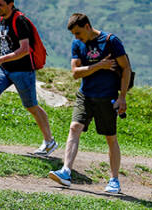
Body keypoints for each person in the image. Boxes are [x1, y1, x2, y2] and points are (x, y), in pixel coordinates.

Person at [48, 13, 131, 194]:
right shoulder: (77, 44)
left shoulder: (110, 41)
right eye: (73, 35)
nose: (76, 38)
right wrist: (98, 66)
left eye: (78, 33)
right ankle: (66, 172)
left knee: (110, 138)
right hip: (85, 95)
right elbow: (75, 72)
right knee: (74, 128)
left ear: (87, 26)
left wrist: (122, 97)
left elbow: (126, 68)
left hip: (107, 97)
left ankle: (114, 180)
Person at [0, 0, 58, 156]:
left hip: (22, 71)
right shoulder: (3, 19)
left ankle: (49, 142)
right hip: (5, 69)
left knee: (31, 106)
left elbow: (25, 50)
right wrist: (2, 62)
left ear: (10, 5)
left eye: (0, 5)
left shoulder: (19, 20)